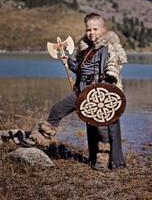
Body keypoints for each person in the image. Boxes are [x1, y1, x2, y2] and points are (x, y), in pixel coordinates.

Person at [29, 13, 127, 170]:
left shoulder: (106, 49)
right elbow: (82, 70)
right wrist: (69, 63)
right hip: (82, 91)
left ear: (103, 30)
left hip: (97, 95)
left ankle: (103, 159)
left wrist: (101, 91)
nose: (91, 32)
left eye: (95, 29)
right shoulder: (87, 49)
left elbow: (111, 71)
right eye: (88, 29)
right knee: (57, 109)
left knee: (100, 126)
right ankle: (39, 139)